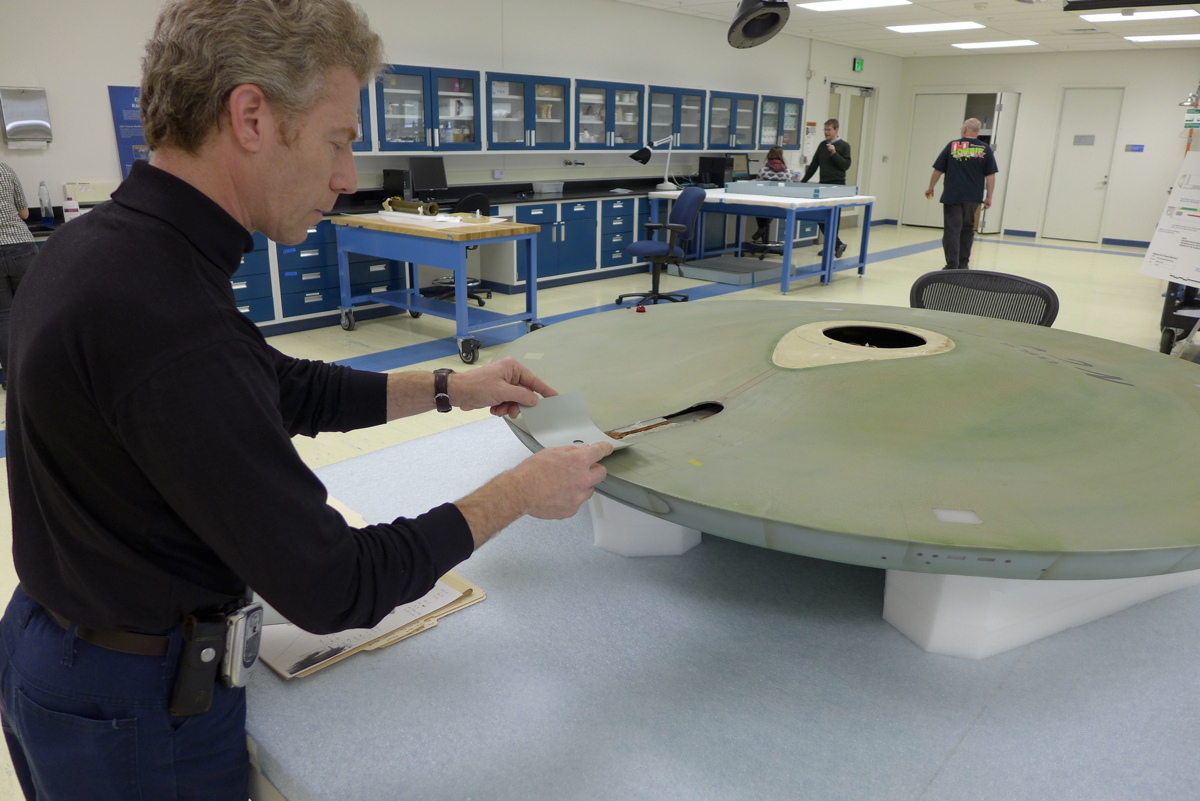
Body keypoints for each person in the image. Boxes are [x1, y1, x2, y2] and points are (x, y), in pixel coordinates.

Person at [0, 1, 611, 799]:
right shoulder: (163, 310)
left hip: (59, 646)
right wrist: (522, 491)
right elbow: (336, 585)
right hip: (136, 710)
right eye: (339, 139)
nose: (347, 177)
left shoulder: (103, 247)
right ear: (252, 115)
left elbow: (271, 384)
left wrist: (447, 387)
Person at [924, 118, 998, 270]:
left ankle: (952, 265)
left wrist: (931, 187)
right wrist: (989, 196)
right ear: (977, 131)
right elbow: (990, 175)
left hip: (953, 195)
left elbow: (938, 169)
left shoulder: (952, 146)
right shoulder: (985, 149)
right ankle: (963, 265)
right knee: (967, 230)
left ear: (965, 129)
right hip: (973, 197)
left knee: (952, 230)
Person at [0, 163, 37, 390]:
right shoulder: (4, 169)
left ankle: (12, 378)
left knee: (3, 317)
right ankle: (39, 372)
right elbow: (24, 212)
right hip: (20, 246)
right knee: (32, 311)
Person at [801, 118, 852, 259]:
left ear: (836, 130)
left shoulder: (844, 146)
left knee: (834, 217)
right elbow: (814, 165)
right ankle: (836, 244)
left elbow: (845, 165)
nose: (826, 132)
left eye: (829, 130)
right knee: (821, 216)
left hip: (838, 185)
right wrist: (803, 182)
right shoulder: (822, 145)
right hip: (824, 184)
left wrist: (834, 153)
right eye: (825, 130)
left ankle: (831, 246)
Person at [751, 145, 790, 244]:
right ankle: (763, 228)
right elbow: (790, 187)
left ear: (769, 155)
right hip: (779, 204)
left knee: (759, 209)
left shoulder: (763, 170)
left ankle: (761, 227)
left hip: (764, 203)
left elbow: (757, 184)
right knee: (771, 210)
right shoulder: (787, 172)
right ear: (781, 156)